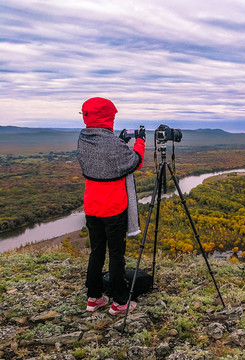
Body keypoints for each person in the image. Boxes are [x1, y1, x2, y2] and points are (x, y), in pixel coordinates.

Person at [77, 97, 145, 315]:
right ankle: (120, 302)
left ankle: (94, 298)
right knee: (116, 254)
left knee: (96, 252)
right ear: (108, 116)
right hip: (113, 207)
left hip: (92, 206)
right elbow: (135, 161)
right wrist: (140, 141)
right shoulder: (111, 142)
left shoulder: (84, 138)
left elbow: (106, 157)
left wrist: (120, 142)